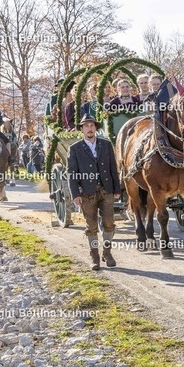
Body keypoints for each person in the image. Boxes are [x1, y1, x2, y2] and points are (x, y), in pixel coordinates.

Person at [67, 114, 121, 270]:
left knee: (109, 223)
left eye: (91, 125)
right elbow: (72, 174)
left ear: (95, 128)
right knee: (91, 226)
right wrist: (75, 194)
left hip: (106, 190)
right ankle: (95, 256)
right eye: (86, 126)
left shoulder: (106, 145)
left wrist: (117, 189)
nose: (89, 128)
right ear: (82, 129)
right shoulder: (75, 149)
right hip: (87, 192)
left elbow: (113, 168)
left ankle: (107, 253)